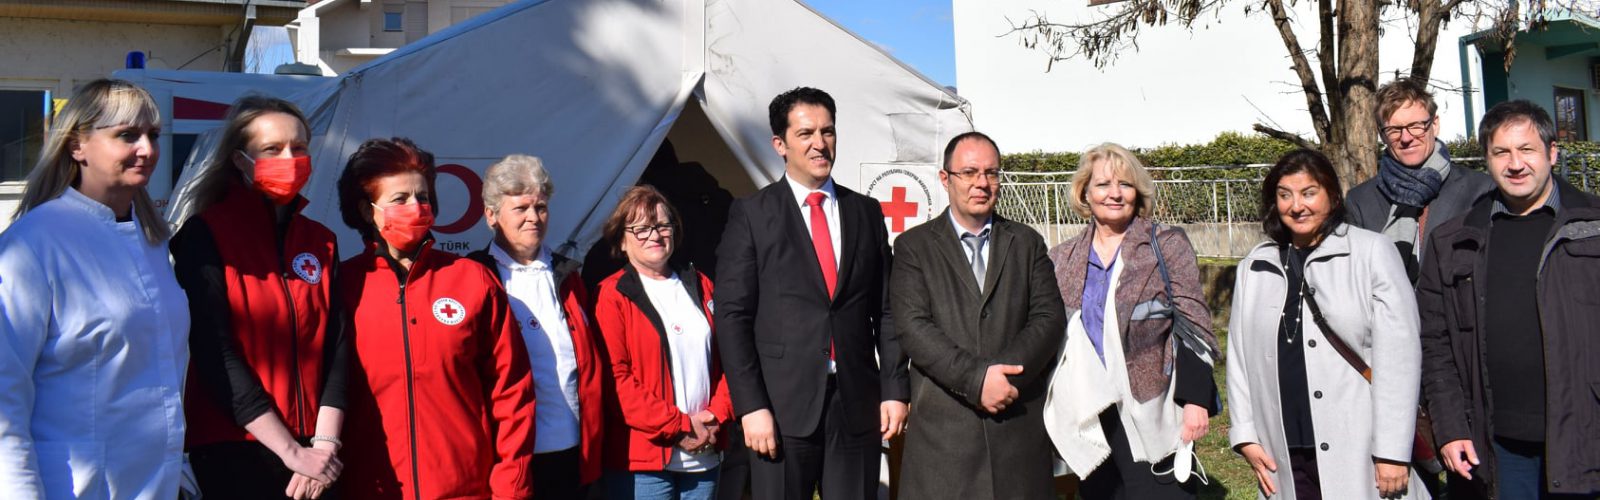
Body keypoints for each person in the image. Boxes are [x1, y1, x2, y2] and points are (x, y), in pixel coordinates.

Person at [714, 86, 909, 499]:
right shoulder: (752, 215)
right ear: (780, 144)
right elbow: (732, 318)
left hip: (856, 407)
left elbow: (887, 310)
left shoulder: (865, 212)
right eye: (805, 134)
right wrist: (751, 406)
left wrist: (894, 389)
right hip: (779, 410)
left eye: (827, 131)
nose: (820, 143)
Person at [0, 79, 190, 498]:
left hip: (155, 482)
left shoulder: (152, 241)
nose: (147, 149)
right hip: (73, 486)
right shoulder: (34, 243)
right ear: (77, 145)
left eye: (154, 135)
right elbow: (4, 395)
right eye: (127, 135)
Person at [333, 138, 537, 499]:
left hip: (467, 490)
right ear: (367, 210)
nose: (416, 207)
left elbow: (512, 393)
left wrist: (511, 488)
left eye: (423, 197)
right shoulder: (342, 287)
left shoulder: (471, 279)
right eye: (400, 199)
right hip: (371, 489)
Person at [1417, 100, 1600, 499]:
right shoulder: (1453, 240)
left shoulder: (1593, 226)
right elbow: (1435, 344)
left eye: (1527, 149)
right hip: (1495, 444)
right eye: (1501, 152)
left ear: (1552, 153)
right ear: (1487, 159)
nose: (1515, 164)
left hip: (1585, 435)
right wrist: (1450, 427)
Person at [171, 95, 348, 500]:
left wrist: (323, 446)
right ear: (240, 159)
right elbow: (215, 353)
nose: (290, 158)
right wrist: (291, 452)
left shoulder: (320, 240)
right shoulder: (205, 234)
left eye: (299, 147)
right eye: (272, 149)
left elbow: (336, 347)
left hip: (317, 452)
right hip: (236, 447)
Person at [1227, 149, 1428, 499]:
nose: (1296, 206)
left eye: (1309, 193)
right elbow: (1239, 359)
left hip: (1359, 446)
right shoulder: (1255, 267)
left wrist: (1392, 451)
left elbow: (1400, 358)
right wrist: (1245, 434)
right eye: (1285, 195)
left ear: (1332, 196)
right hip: (1282, 449)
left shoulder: (1371, 252)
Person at [890, 132, 1066, 499]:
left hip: (1016, 429)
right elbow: (913, 327)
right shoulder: (914, 247)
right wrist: (977, 380)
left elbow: (1048, 318)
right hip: (945, 438)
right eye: (969, 172)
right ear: (945, 179)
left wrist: (1003, 379)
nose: (981, 183)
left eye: (991, 172)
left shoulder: (1027, 242)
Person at [1043, 143, 1219, 499]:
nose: (1115, 193)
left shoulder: (1165, 244)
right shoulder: (1061, 259)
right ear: (1084, 193)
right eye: (1103, 184)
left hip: (1153, 407)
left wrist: (1196, 401)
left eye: (1124, 184)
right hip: (1090, 409)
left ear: (1137, 192)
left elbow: (1193, 323)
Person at [464, 154, 604, 498]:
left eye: (540, 207)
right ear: (491, 215)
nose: (533, 217)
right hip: (507, 454)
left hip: (573, 450)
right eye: (521, 208)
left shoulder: (568, 275)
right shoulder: (472, 276)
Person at [594, 185, 735, 500]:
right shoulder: (612, 295)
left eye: (662, 225)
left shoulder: (701, 284)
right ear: (621, 240)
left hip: (705, 454)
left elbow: (731, 358)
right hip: (643, 461)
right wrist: (679, 426)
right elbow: (616, 380)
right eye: (641, 228)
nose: (654, 235)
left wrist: (717, 414)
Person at [1347, 78, 1494, 282]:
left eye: (1416, 126)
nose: (1406, 138)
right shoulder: (1360, 201)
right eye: (1394, 130)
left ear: (1435, 124)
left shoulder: (1479, 189)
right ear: (1382, 135)